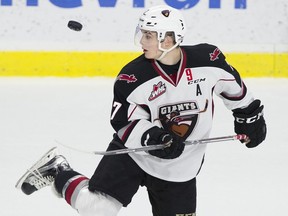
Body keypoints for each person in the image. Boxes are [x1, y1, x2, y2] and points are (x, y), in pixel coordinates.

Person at [15, 5, 267, 216]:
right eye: (142, 33)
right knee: (97, 209)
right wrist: (155, 137)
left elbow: (236, 90)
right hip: (135, 153)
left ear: (168, 39)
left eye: (149, 35)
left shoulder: (208, 61)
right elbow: (124, 123)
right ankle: (58, 171)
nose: (141, 41)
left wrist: (249, 117)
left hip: (181, 166)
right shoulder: (132, 77)